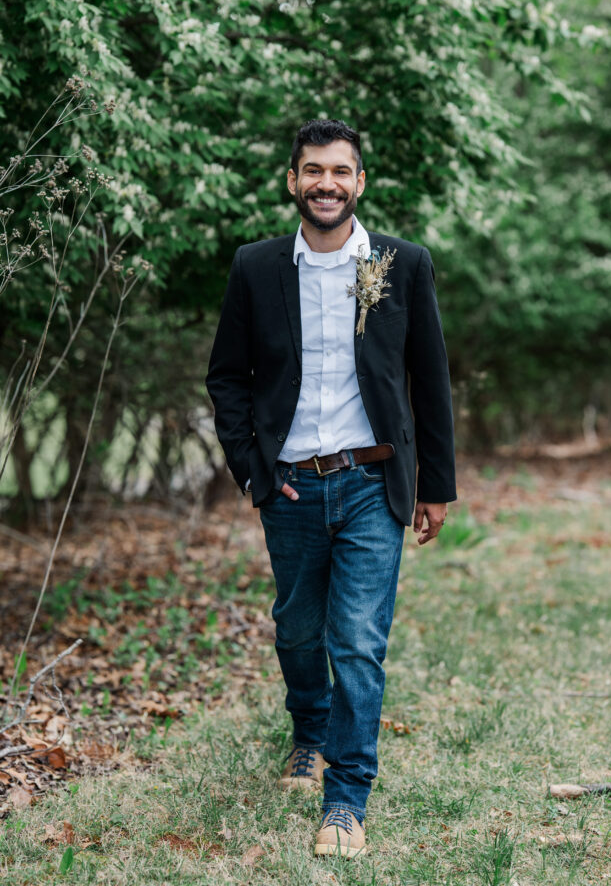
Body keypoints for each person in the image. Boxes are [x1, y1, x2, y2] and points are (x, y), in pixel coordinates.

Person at [206, 118, 456, 858]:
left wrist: (433, 485)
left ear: (359, 183)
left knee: (355, 643)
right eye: (313, 171)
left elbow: (429, 379)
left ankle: (345, 799)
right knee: (297, 629)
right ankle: (307, 731)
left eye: (340, 172)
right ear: (292, 180)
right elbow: (227, 377)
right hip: (288, 487)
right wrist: (253, 470)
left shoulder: (400, 263)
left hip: (371, 481)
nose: (326, 184)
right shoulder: (256, 266)